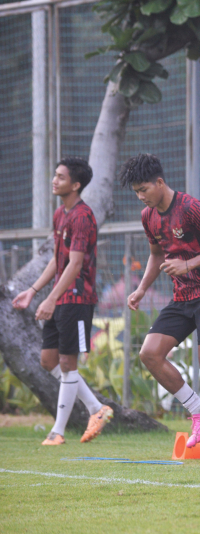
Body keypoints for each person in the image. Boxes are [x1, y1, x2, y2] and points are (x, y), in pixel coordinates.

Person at [122, 154, 200, 463]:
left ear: (160, 182)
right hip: (181, 297)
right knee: (149, 353)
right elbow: (155, 255)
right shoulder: (148, 215)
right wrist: (141, 289)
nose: (141, 196)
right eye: (136, 191)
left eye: (144, 189)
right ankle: (199, 412)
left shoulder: (191, 208)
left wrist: (188, 263)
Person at [12, 157, 113, 445]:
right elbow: (58, 261)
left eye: (60, 177)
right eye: (55, 175)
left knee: (68, 363)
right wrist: (33, 290)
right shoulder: (61, 215)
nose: (54, 180)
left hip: (78, 299)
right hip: (61, 297)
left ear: (76, 184)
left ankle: (57, 432)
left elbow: (75, 264)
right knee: (48, 361)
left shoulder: (82, 216)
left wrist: (51, 300)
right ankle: (97, 408)